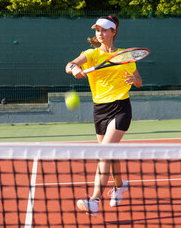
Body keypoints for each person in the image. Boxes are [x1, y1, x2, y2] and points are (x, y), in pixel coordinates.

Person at [65, 14, 142, 216]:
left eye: (104, 30)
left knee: (104, 153)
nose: (99, 33)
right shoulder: (90, 54)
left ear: (113, 32)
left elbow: (139, 81)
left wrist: (134, 79)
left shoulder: (125, 56)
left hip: (121, 108)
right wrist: (75, 69)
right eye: (97, 30)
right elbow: (70, 64)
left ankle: (94, 199)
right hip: (100, 110)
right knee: (110, 153)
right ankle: (120, 185)